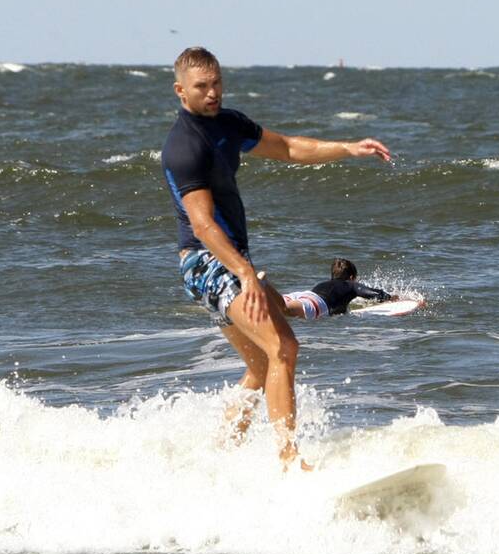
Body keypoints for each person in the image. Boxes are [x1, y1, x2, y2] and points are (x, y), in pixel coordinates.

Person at [161, 47, 391, 470]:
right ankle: (289, 461)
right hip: (207, 263)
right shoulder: (183, 146)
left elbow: (286, 147)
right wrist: (245, 273)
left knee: (260, 362)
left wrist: (347, 148)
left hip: (229, 263)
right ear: (181, 91)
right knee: (283, 346)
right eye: (201, 87)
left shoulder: (229, 124)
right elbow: (203, 226)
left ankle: (220, 455)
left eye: (217, 83)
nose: (212, 93)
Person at [282, 258, 397, 320]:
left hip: (302, 295)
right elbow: (371, 293)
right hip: (316, 303)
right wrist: (391, 297)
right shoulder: (351, 285)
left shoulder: (325, 284)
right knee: (285, 310)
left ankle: (266, 292)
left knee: (278, 304)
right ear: (352, 277)